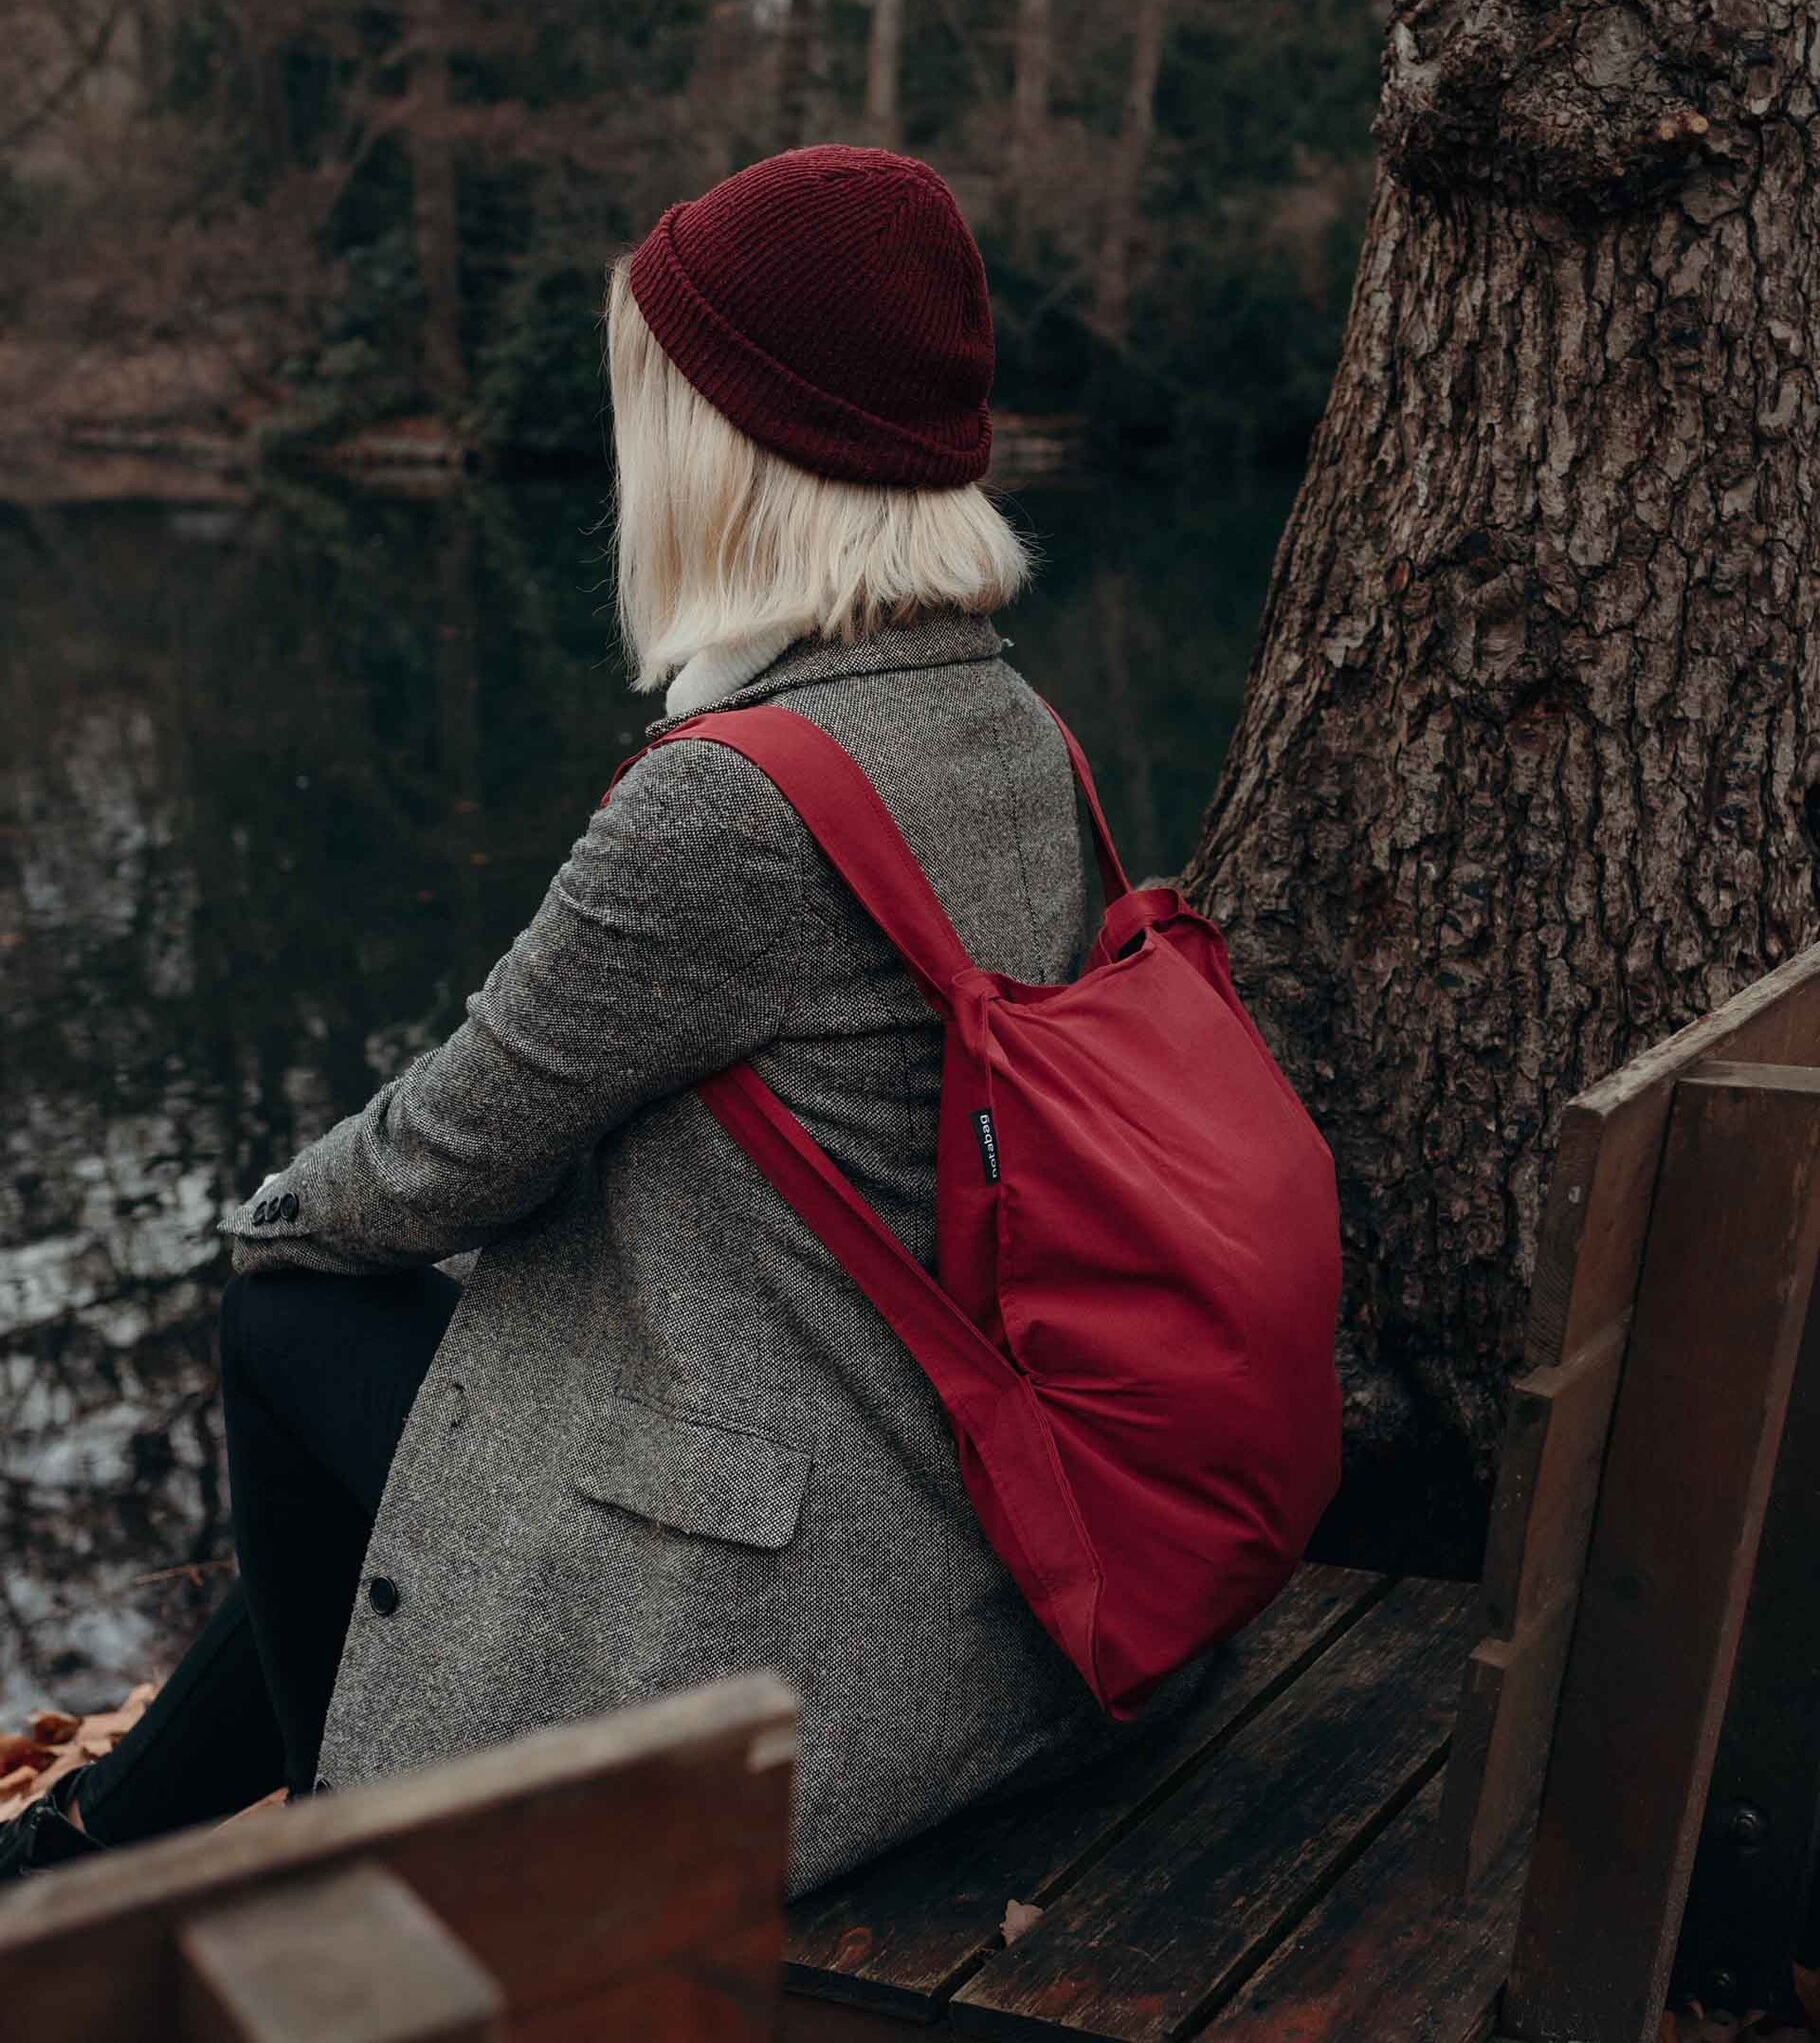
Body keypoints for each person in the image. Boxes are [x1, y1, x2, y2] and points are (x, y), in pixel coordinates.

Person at [1, 144, 1171, 1893]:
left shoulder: (737, 799)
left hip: (824, 1621)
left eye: (656, 410)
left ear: (738, 446)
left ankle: (352, 1877)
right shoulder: (1010, 721)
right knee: (463, 1398)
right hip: (987, 1530)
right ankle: (75, 1853)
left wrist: (269, 1213)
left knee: (291, 1314)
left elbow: (447, 1150)